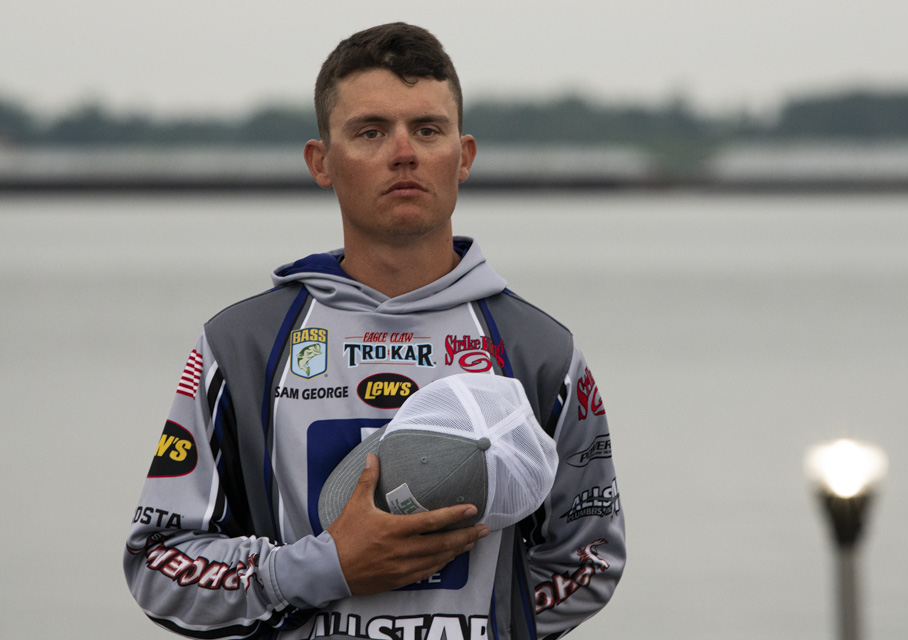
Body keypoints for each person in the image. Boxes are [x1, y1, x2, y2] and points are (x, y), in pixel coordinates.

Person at [123, 22, 625, 640]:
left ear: (464, 156)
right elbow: (159, 562)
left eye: (428, 129)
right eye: (371, 132)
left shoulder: (542, 352)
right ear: (321, 162)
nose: (404, 152)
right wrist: (323, 568)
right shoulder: (240, 346)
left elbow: (589, 559)